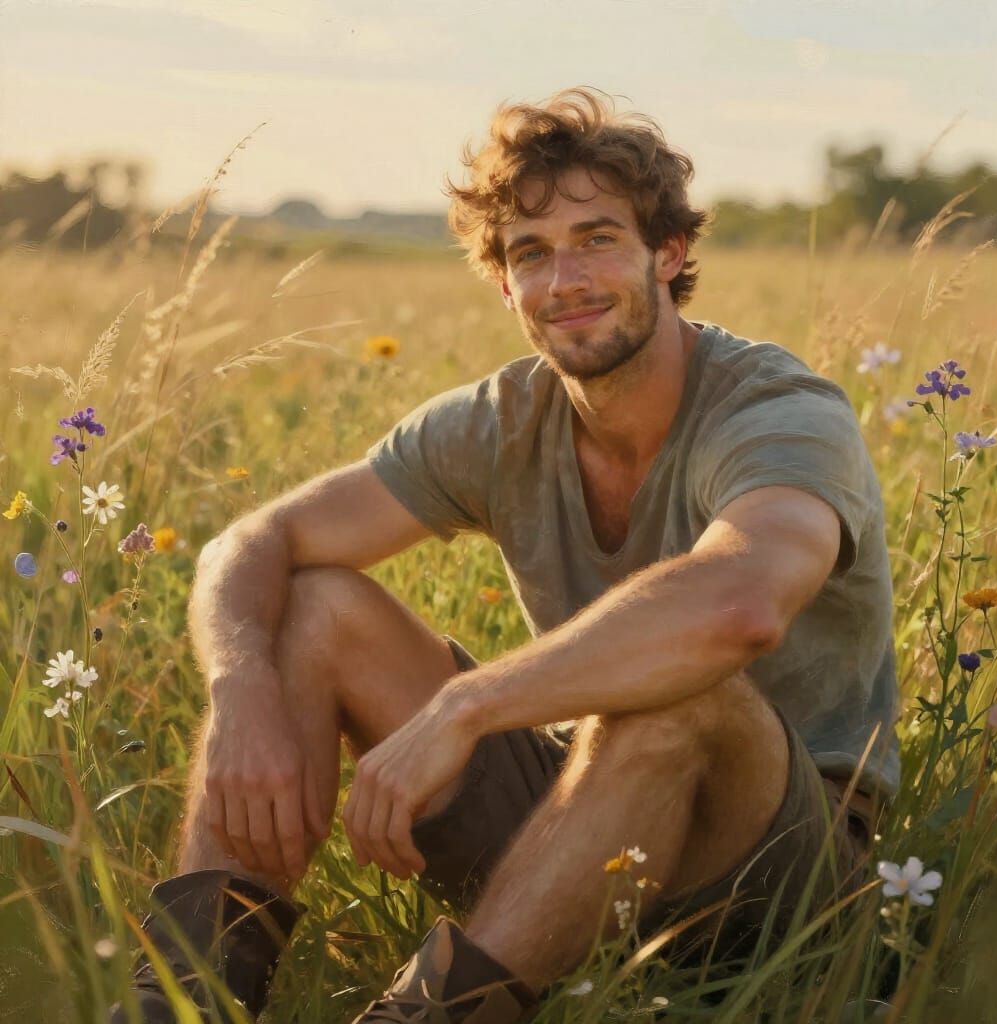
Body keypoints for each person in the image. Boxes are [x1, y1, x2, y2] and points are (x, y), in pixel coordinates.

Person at [111, 87, 900, 1024]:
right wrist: (239, 690)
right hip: (581, 812)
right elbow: (255, 540)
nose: (566, 280)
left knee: (682, 686)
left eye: (598, 238)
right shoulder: (504, 419)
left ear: (668, 253)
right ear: (503, 284)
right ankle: (184, 1000)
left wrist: (465, 706)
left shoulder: (777, 411)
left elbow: (740, 606)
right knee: (312, 607)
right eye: (531, 253)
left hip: (776, 865)